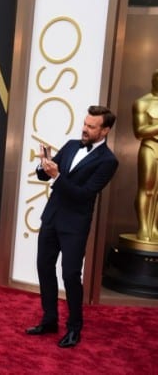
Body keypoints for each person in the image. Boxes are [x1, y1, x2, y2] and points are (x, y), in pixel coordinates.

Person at [25, 105, 118, 348]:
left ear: (105, 130)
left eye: (91, 126)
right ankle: (49, 320)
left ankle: (74, 328)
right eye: (85, 124)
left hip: (75, 224)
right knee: (44, 268)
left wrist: (57, 176)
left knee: (70, 275)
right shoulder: (70, 145)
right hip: (52, 217)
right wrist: (43, 166)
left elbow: (83, 194)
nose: (85, 129)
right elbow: (46, 175)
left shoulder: (108, 161)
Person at [133, 69, 158, 241]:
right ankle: (143, 227)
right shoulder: (142, 103)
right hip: (150, 147)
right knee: (147, 189)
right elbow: (139, 131)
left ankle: (154, 227)